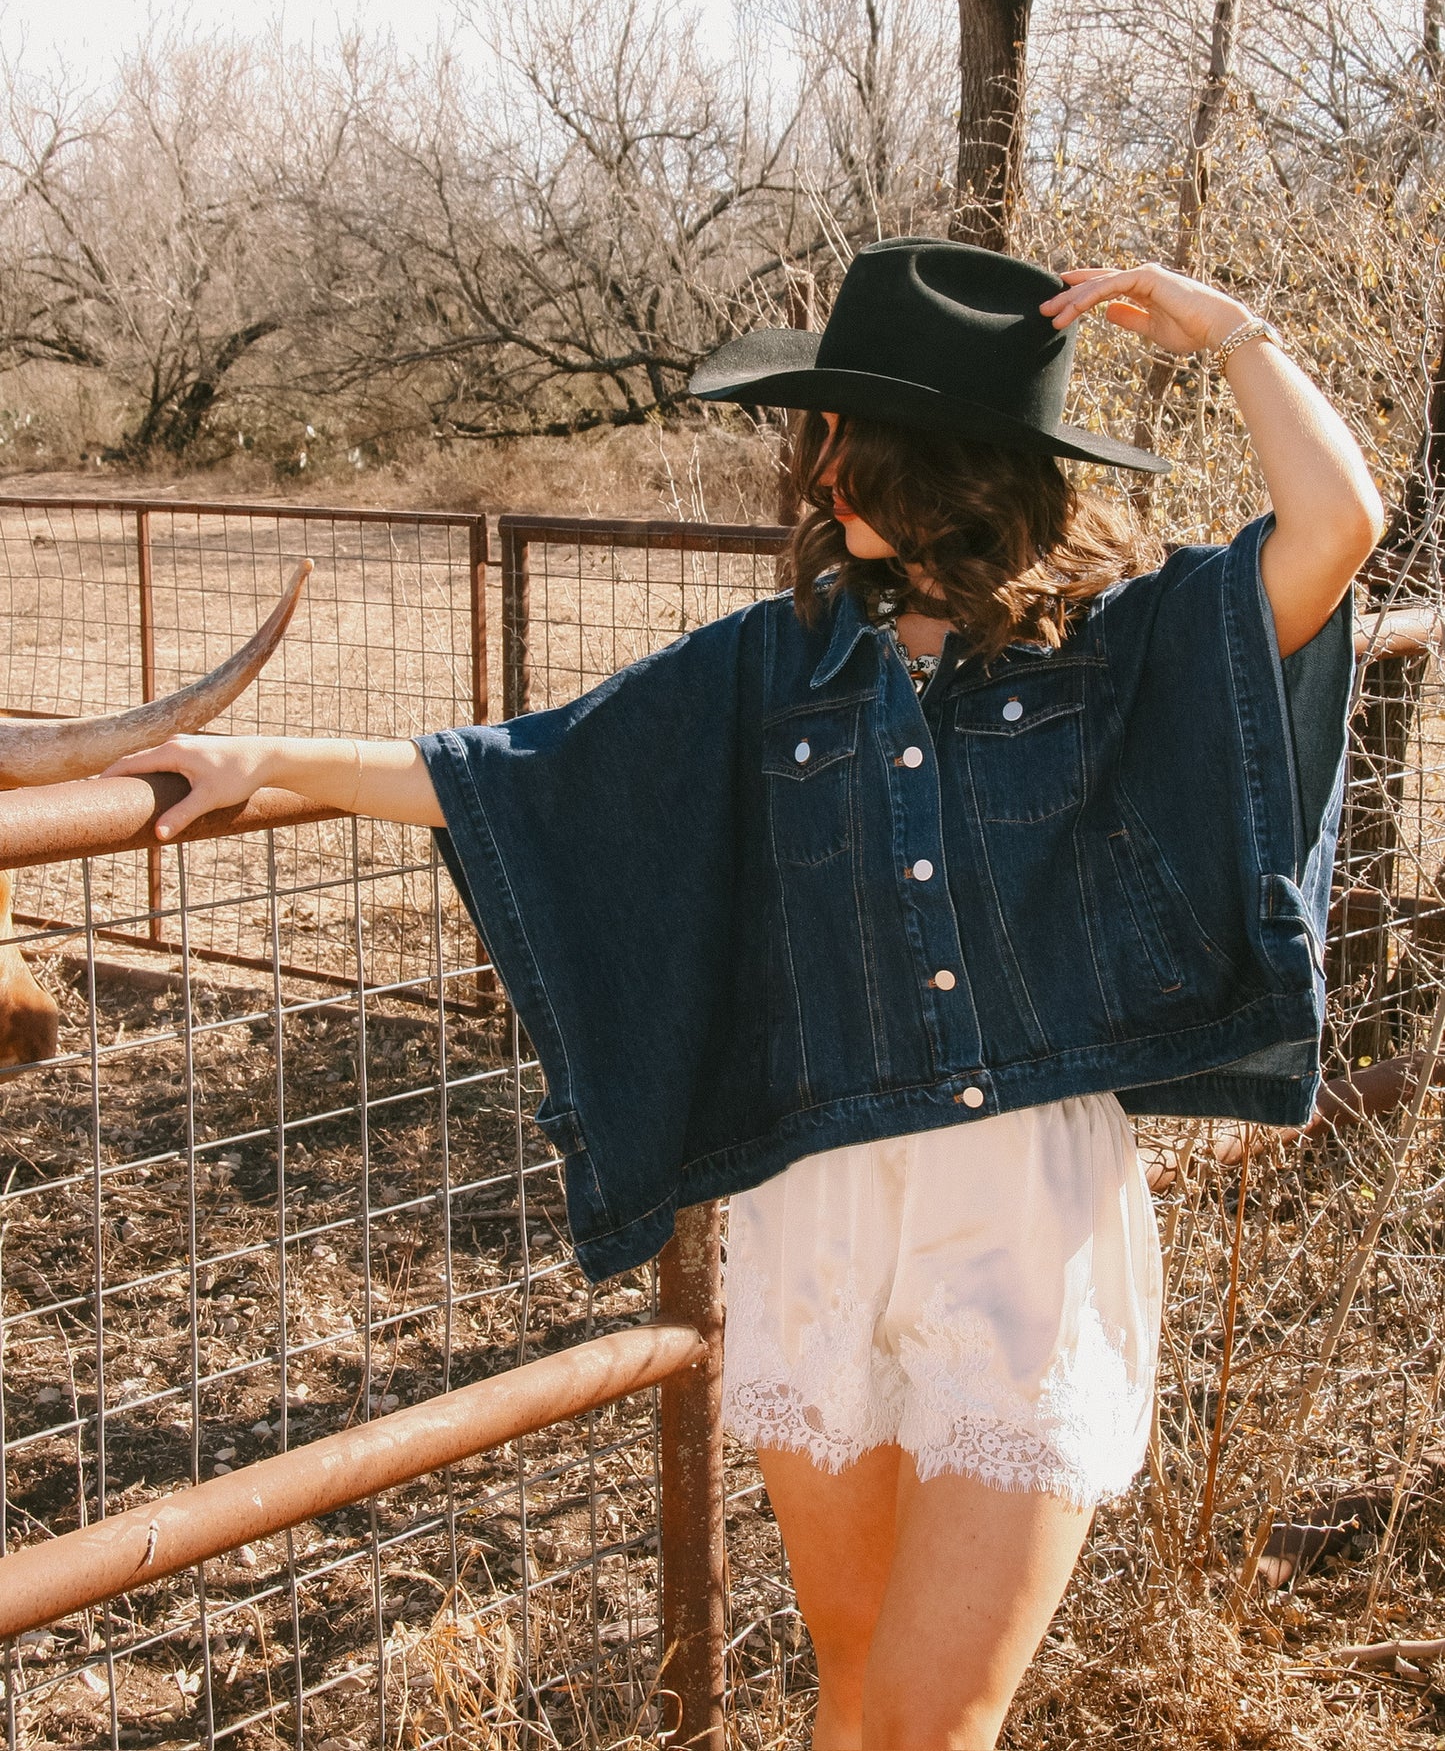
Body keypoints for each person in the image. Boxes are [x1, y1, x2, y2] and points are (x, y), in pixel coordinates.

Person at [104, 242, 1382, 1751]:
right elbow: (526, 775)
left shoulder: (1120, 646)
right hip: (820, 1204)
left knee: (931, 1722)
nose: (815, 466)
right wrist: (268, 762)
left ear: (927, 458)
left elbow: (1337, 526)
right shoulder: (772, 667)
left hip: (1021, 1220)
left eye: (841, 431)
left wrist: (1233, 333)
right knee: (853, 1684)